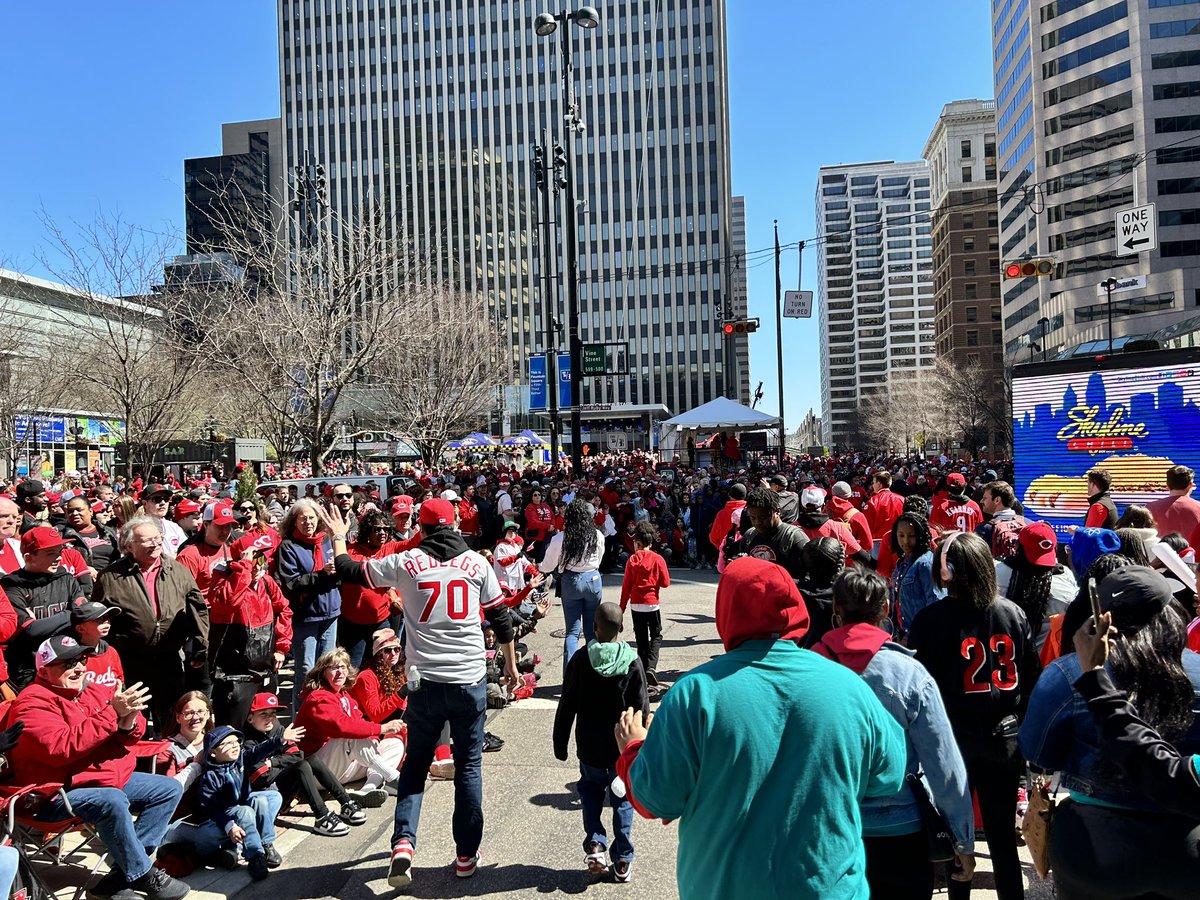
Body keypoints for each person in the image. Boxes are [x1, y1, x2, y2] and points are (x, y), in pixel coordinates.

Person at [615, 557, 906, 899]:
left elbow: (656, 799)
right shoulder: (849, 686)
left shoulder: (695, 694)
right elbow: (890, 774)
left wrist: (635, 749)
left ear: (726, 610)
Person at [324, 498, 518, 890]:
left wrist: (340, 537)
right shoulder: (477, 564)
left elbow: (347, 569)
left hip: (424, 682)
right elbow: (502, 619)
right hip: (468, 681)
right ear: (455, 527)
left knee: (414, 766)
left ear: (423, 529)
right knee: (468, 766)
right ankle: (465, 855)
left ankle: (403, 846)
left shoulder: (407, 561)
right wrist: (511, 666)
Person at [1019, 566, 1200, 899]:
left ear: (1099, 621)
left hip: (1092, 848)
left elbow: (1037, 752)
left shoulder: (1066, 673)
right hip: (1187, 851)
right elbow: (1169, 773)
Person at [814, 568, 975, 900]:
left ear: (836, 611)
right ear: (885, 609)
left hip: (830, 830)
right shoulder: (908, 673)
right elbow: (943, 764)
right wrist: (962, 839)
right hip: (903, 832)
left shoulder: (809, 666)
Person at [907, 532, 1041, 900]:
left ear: (946, 571)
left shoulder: (931, 619)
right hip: (1005, 740)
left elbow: (916, 689)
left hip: (954, 743)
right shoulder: (1012, 612)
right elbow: (1032, 680)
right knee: (1002, 841)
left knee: (958, 840)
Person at [8, 635, 190, 900]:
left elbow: (132, 727)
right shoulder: (32, 702)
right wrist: (112, 715)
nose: (79, 667)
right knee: (112, 800)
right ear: (44, 671)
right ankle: (143, 874)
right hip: (56, 792)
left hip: (103, 778)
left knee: (168, 788)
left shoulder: (91, 688)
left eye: (81, 659)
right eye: (68, 663)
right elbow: (61, 748)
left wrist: (127, 722)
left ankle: (120, 875)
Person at [554, 603, 648, 883]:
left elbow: (567, 703)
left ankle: (595, 844)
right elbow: (641, 706)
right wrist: (642, 749)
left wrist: (560, 742)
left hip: (590, 745)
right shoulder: (632, 660)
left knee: (591, 792)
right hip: (622, 746)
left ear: (593, 628)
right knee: (622, 799)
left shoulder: (581, 659)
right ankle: (622, 859)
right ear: (621, 628)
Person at [93, 517, 210, 734]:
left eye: (158, 538)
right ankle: (139, 763)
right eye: (147, 540)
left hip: (168, 658)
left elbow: (197, 609)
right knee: (134, 718)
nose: (155, 544)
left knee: (170, 717)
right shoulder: (110, 576)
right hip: (130, 660)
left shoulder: (177, 570)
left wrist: (200, 645)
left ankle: (167, 760)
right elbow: (99, 616)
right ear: (129, 545)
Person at [241, 691, 366, 837]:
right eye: (263, 714)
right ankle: (322, 816)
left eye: (273, 713)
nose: (270, 718)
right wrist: (282, 763)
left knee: (311, 760)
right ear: (250, 718)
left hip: (285, 786)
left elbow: (297, 755)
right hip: (270, 795)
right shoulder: (247, 742)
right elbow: (261, 776)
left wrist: (272, 762)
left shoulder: (279, 730)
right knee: (301, 767)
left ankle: (345, 802)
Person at [293, 648, 407, 804]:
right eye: (334, 668)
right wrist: (381, 728)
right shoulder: (318, 697)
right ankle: (395, 778)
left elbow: (360, 722)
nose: (340, 672)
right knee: (349, 735)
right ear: (322, 673)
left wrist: (373, 737)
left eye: (343, 667)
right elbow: (342, 727)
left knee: (393, 744)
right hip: (317, 772)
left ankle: (369, 788)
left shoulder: (344, 695)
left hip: (342, 768)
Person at [206, 532, 293, 727]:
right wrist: (243, 569)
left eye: (260, 558)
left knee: (265, 726)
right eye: (252, 558)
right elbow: (228, 602)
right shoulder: (223, 580)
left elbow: (284, 611)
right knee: (233, 729)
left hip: (264, 670)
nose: (257, 565)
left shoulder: (267, 582)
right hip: (234, 675)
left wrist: (281, 648)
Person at [276, 498, 341, 716]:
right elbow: (292, 582)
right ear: (293, 522)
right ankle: (302, 720)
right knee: (306, 671)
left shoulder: (326, 541)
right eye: (302, 518)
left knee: (329, 669)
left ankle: (326, 715)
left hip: (330, 614)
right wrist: (323, 575)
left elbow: (340, 575)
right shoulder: (288, 546)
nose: (308, 522)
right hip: (305, 617)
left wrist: (337, 571)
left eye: (311, 517)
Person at [1, 526, 87, 689]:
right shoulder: (11, 585)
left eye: (59, 552)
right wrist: (68, 614)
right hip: (28, 668)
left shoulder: (67, 579)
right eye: (50, 553)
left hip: (66, 663)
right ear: (28, 557)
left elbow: (82, 615)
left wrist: (46, 623)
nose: (58, 558)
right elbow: (30, 631)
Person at [197, 725, 286, 881]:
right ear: (213, 752)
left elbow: (259, 750)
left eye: (236, 742)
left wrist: (280, 739)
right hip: (228, 811)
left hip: (245, 800)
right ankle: (255, 854)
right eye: (228, 743)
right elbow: (210, 808)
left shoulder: (241, 760)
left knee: (270, 797)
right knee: (246, 812)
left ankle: (266, 843)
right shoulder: (210, 777)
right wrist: (228, 825)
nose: (235, 746)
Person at [540, 499, 606, 671]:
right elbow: (599, 559)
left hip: (571, 580)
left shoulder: (561, 538)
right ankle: (594, 673)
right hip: (593, 579)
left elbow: (548, 566)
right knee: (592, 631)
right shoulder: (597, 535)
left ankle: (570, 678)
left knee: (572, 632)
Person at [993, 522, 1076, 651]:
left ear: (1017, 547)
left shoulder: (996, 574)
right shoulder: (1066, 581)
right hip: (1047, 664)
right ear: (1054, 549)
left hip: (1002, 657)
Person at [338, 511, 404, 667]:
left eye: (387, 529)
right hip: (353, 622)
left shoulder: (391, 547)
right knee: (354, 664)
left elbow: (415, 543)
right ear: (367, 530)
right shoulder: (351, 551)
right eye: (377, 529)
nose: (383, 533)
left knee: (384, 663)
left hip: (382, 619)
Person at [618, 521, 670, 688]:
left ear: (638, 543)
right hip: (652, 603)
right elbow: (666, 582)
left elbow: (626, 587)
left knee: (641, 639)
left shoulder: (632, 560)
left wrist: (621, 609)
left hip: (636, 604)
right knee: (656, 635)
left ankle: (642, 671)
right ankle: (651, 668)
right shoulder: (658, 559)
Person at [738, 486, 810, 582]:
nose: (757, 522)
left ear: (777, 511)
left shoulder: (795, 538)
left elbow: (806, 579)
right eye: (753, 518)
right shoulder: (749, 536)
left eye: (763, 517)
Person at [889, 512, 940, 640]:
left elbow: (935, 605)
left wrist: (912, 636)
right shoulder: (901, 562)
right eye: (901, 535)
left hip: (921, 637)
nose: (905, 541)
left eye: (911, 536)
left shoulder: (926, 564)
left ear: (920, 535)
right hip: (902, 633)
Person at [71, 597, 125, 688]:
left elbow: (120, 683)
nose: (106, 622)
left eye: (107, 617)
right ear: (80, 628)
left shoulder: (111, 652)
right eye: (99, 619)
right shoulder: (71, 656)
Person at [59, 493, 119, 572]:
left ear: (90, 511)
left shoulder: (108, 532)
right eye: (70, 511)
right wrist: (84, 569)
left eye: (79, 510)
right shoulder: (62, 536)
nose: (75, 513)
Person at [975, 480, 1025, 559]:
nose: (981, 501)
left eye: (985, 498)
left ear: (997, 500)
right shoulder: (1027, 524)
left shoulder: (984, 529)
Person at [139, 484, 188, 557]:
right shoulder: (137, 528)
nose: (163, 503)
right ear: (145, 503)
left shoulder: (174, 527)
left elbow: (186, 552)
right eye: (157, 499)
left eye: (166, 499)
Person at [828, 481, 873, 550]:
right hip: (848, 557)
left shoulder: (824, 511)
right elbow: (868, 545)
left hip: (826, 555)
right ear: (849, 495)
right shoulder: (857, 515)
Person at [865, 471, 905, 548]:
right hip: (898, 540)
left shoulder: (872, 501)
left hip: (878, 541)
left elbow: (867, 526)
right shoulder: (902, 499)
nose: (872, 485)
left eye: (873, 483)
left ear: (879, 484)